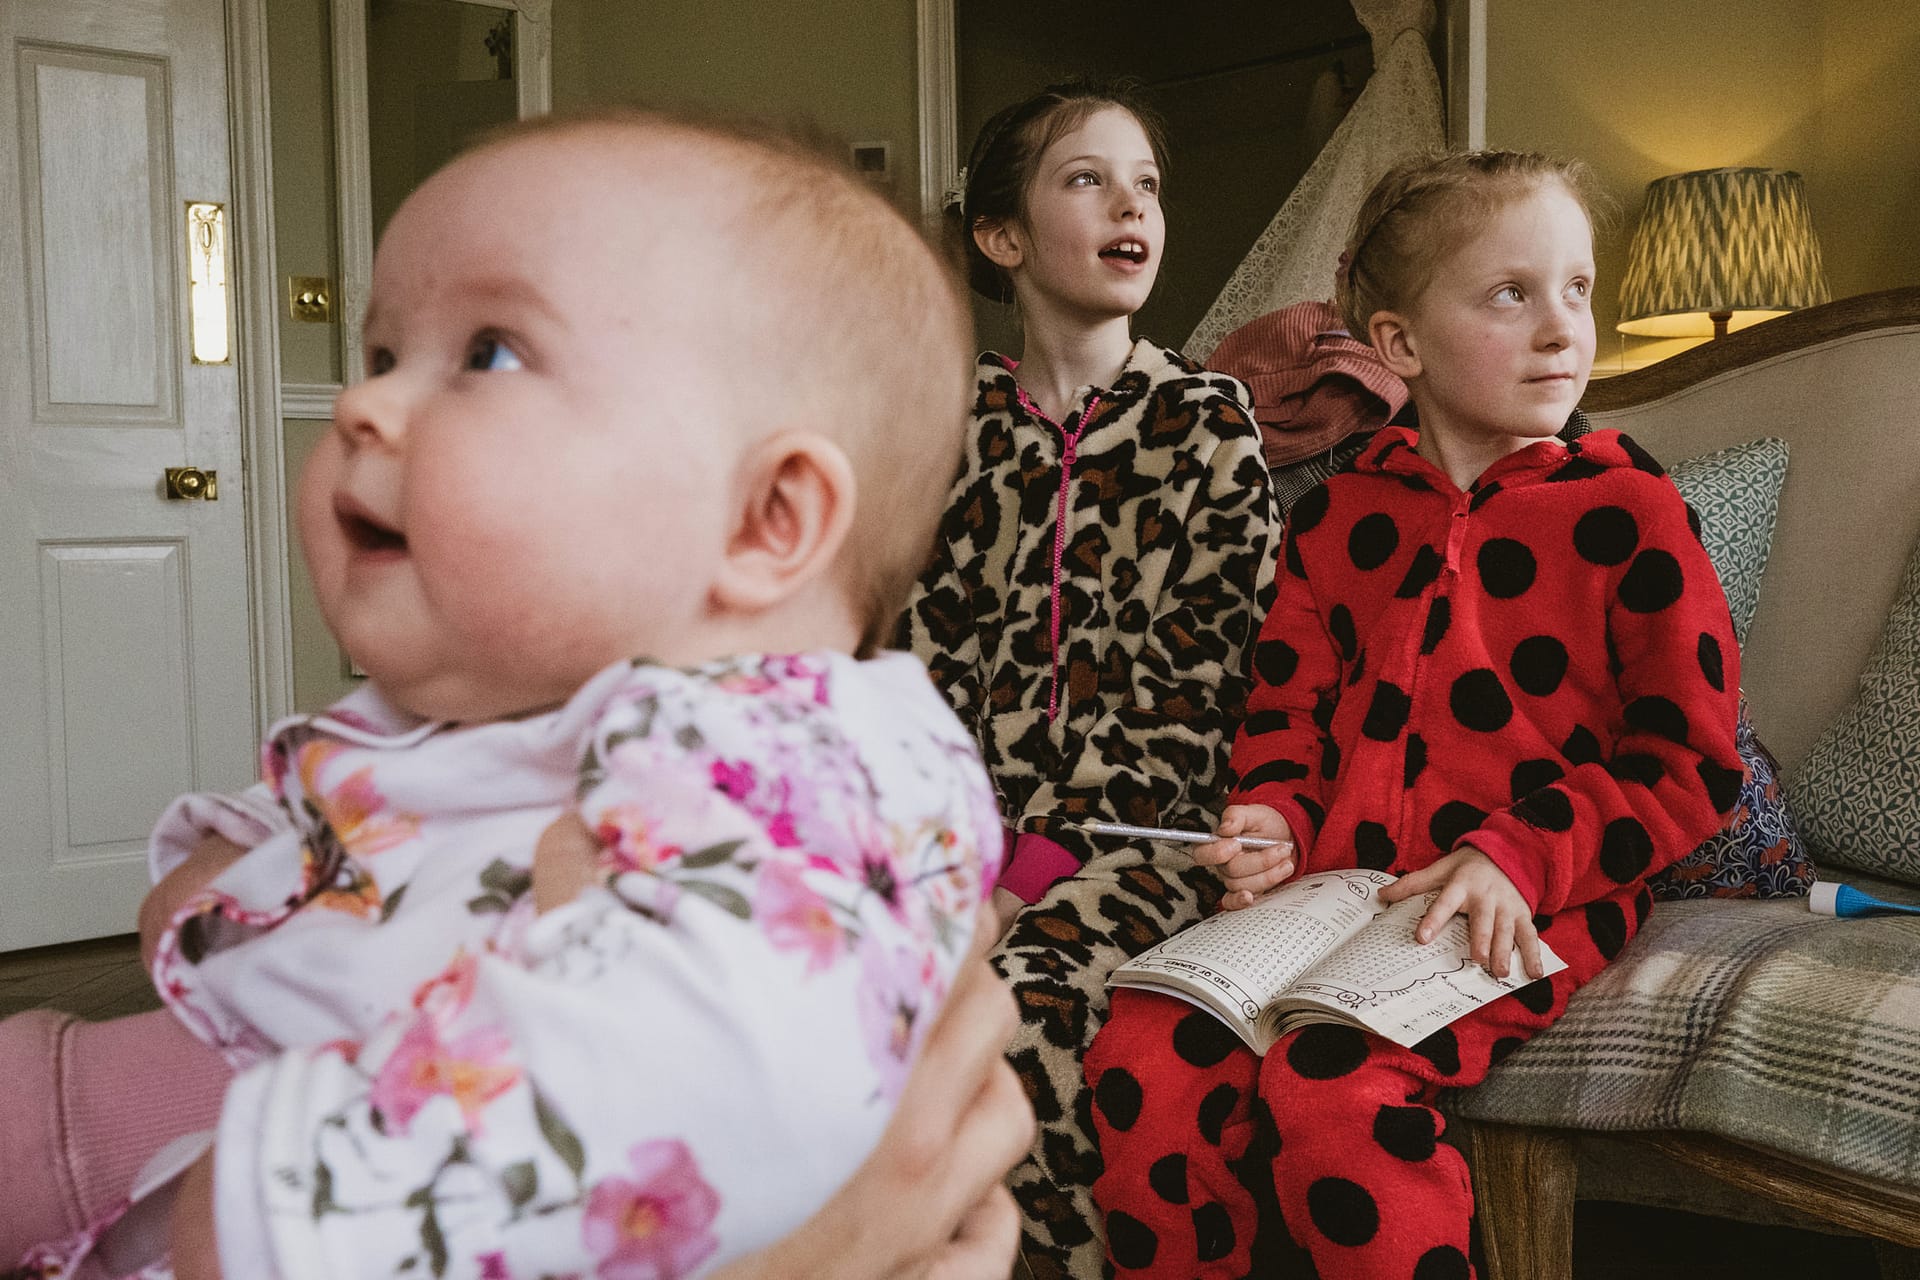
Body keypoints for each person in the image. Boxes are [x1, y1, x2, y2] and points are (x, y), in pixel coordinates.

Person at [7, 108, 1019, 1280]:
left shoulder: (801, 769)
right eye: (383, 354)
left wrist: (305, 1213)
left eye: (488, 351)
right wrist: (248, 876)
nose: (361, 406)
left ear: (766, 520)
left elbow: (707, 1062)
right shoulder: (536, 710)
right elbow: (410, 803)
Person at [1082, 149, 1746, 1278]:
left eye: (1577, 288)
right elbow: (1286, 711)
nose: (1560, 328)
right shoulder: (1341, 513)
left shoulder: (1631, 510)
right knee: (1139, 1052)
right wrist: (1277, 817)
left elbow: (1691, 761)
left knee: (1333, 1077)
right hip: (1334, 888)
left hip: (1529, 889)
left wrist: (1519, 855)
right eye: (1510, 293)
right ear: (1399, 344)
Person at [896, 80, 1281, 1272]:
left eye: (1148, 184)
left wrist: (1028, 878)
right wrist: (950, 870)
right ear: (1002, 237)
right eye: (1087, 178)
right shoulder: (947, 432)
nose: (1134, 205)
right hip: (953, 847)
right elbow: (913, 675)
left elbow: (1193, 690)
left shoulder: (1208, 427)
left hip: (1139, 843)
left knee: (1021, 1011)